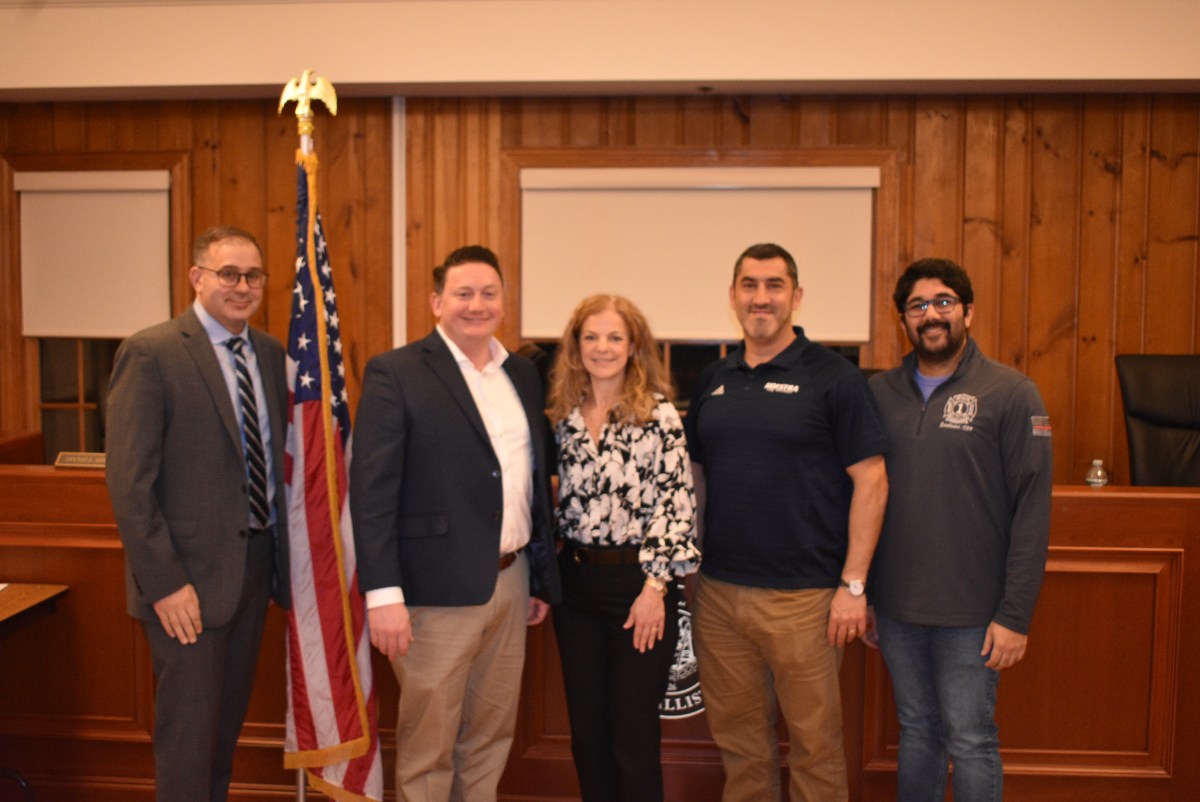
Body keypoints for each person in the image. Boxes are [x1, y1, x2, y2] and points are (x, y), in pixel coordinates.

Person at [350, 245, 561, 802]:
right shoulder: (396, 372)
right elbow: (371, 492)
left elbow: (528, 482)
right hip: (430, 592)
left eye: (488, 293)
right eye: (463, 293)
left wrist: (537, 576)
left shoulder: (521, 373)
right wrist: (383, 594)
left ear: (503, 302)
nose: (477, 304)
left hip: (510, 582)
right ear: (436, 301)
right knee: (430, 743)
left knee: (491, 735)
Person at [684, 242, 889, 802]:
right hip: (721, 596)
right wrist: (692, 565)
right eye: (749, 285)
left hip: (806, 599)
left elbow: (872, 480)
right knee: (741, 747)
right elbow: (698, 478)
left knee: (815, 749)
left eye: (774, 285)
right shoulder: (714, 378)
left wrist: (853, 586)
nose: (761, 297)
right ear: (732, 296)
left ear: (796, 297)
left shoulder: (834, 378)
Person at [105, 226, 291, 801]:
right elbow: (130, 484)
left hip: (253, 570)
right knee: (187, 741)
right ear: (197, 278)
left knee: (222, 735)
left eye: (252, 275)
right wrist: (166, 584)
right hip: (184, 586)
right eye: (228, 274)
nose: (242, 286)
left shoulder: (268, 353)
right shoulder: (152, 351)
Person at [868, 258, 1053, 802]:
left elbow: (1032, 510)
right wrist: (871, 595)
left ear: (968, 312)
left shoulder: (1012, 393)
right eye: (918, 306)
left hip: (974, 615)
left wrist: (1014, 615)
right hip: (898, 609)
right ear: (903, 319)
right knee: (917, 734)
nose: (932, 315)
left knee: (971, 740)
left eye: (944, 302)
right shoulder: (879, 394)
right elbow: (865, 498)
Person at [547, 294, 700, 802]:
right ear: (575, 346)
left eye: (614, 337)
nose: (602, 347)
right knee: (588, 738)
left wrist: (656, 587)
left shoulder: (658, 415)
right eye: (590, 337)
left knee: (632, 739)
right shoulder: (562, 417)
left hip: (638, 589)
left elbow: (676, 506)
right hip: (575, 589)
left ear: (634, 346)